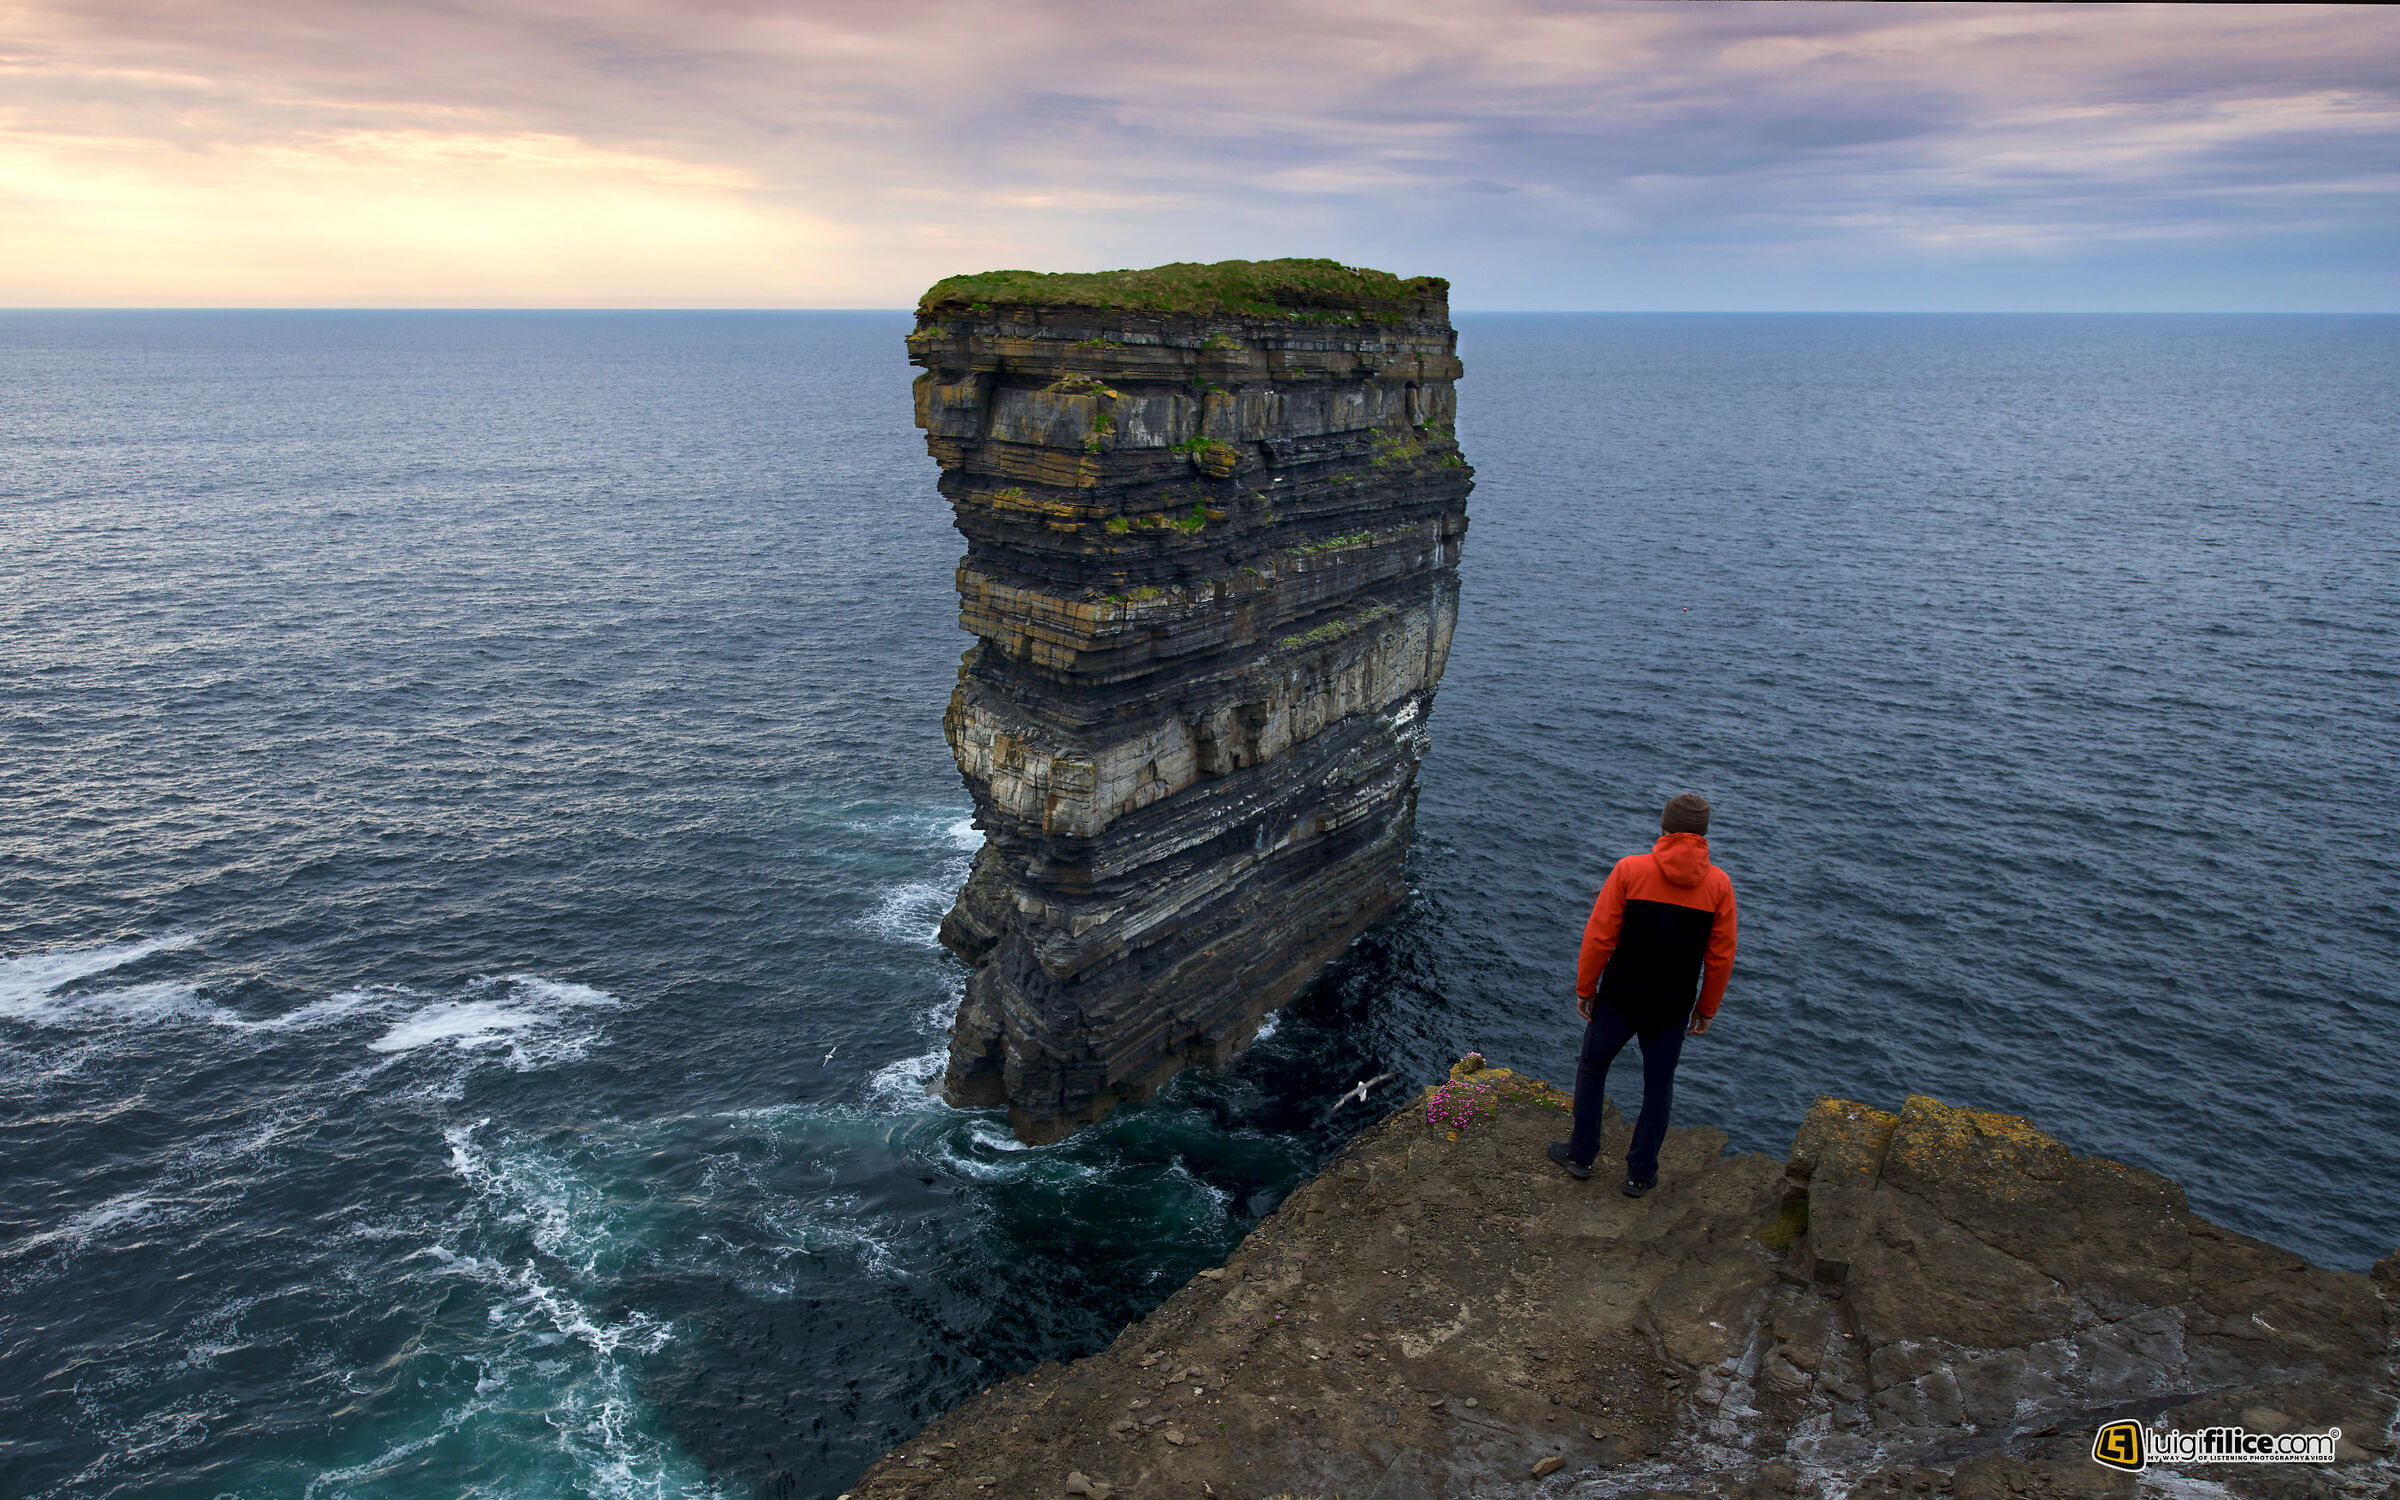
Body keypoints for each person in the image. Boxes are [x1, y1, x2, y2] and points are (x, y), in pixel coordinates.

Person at [1548, 793, 1738, 1196]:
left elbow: (1600, 936)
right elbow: (1720, 957)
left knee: (1593, 1068)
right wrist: (1706, 1008)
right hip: (1671, 1007)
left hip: (1619, 997)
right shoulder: (1719, 885)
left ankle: (1580, 1156)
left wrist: (1586, 988)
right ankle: (1640, 1173)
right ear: (1703, 833)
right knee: (1658, 1086)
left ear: (1664, 827)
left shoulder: (1630, 870)